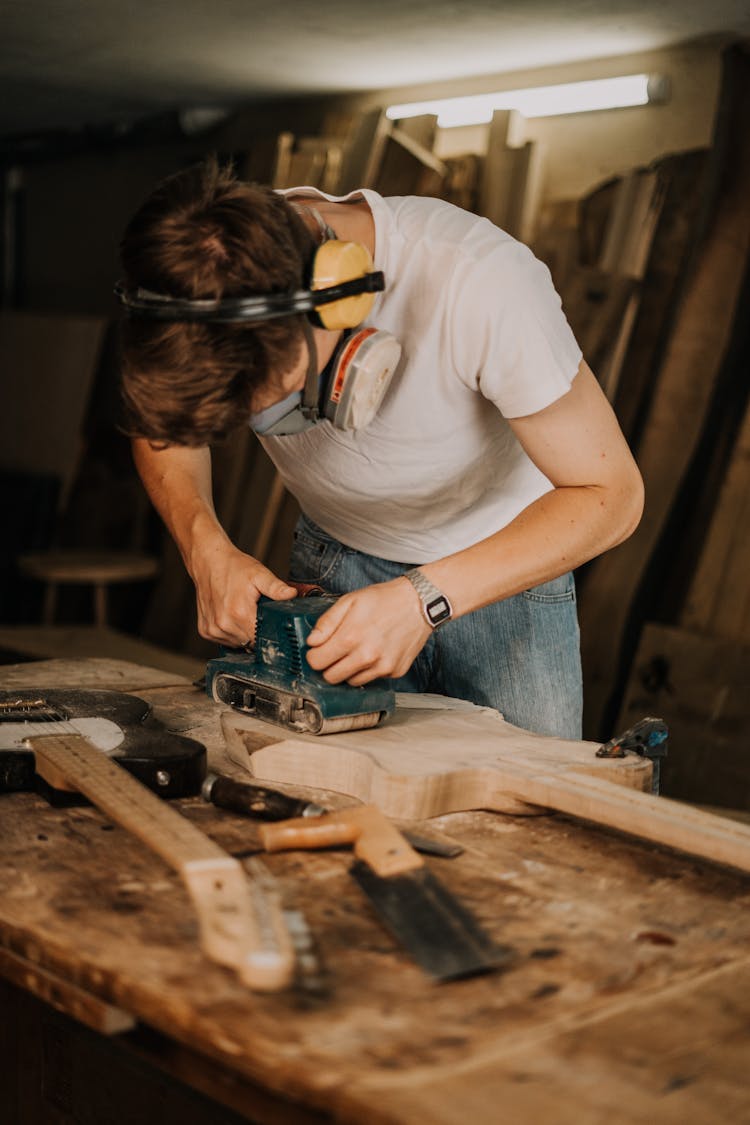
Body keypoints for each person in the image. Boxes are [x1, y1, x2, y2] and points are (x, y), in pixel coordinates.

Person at [117, 157, 644, 739]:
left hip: (507, 574)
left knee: (525, 801)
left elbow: (611, 494)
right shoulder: (197, 271)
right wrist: (206, 550)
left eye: (285, 397)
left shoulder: (480, 279)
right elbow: (164, 425)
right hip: (335, 562)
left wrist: (423, 600)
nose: (272, 420)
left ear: (337, 295)